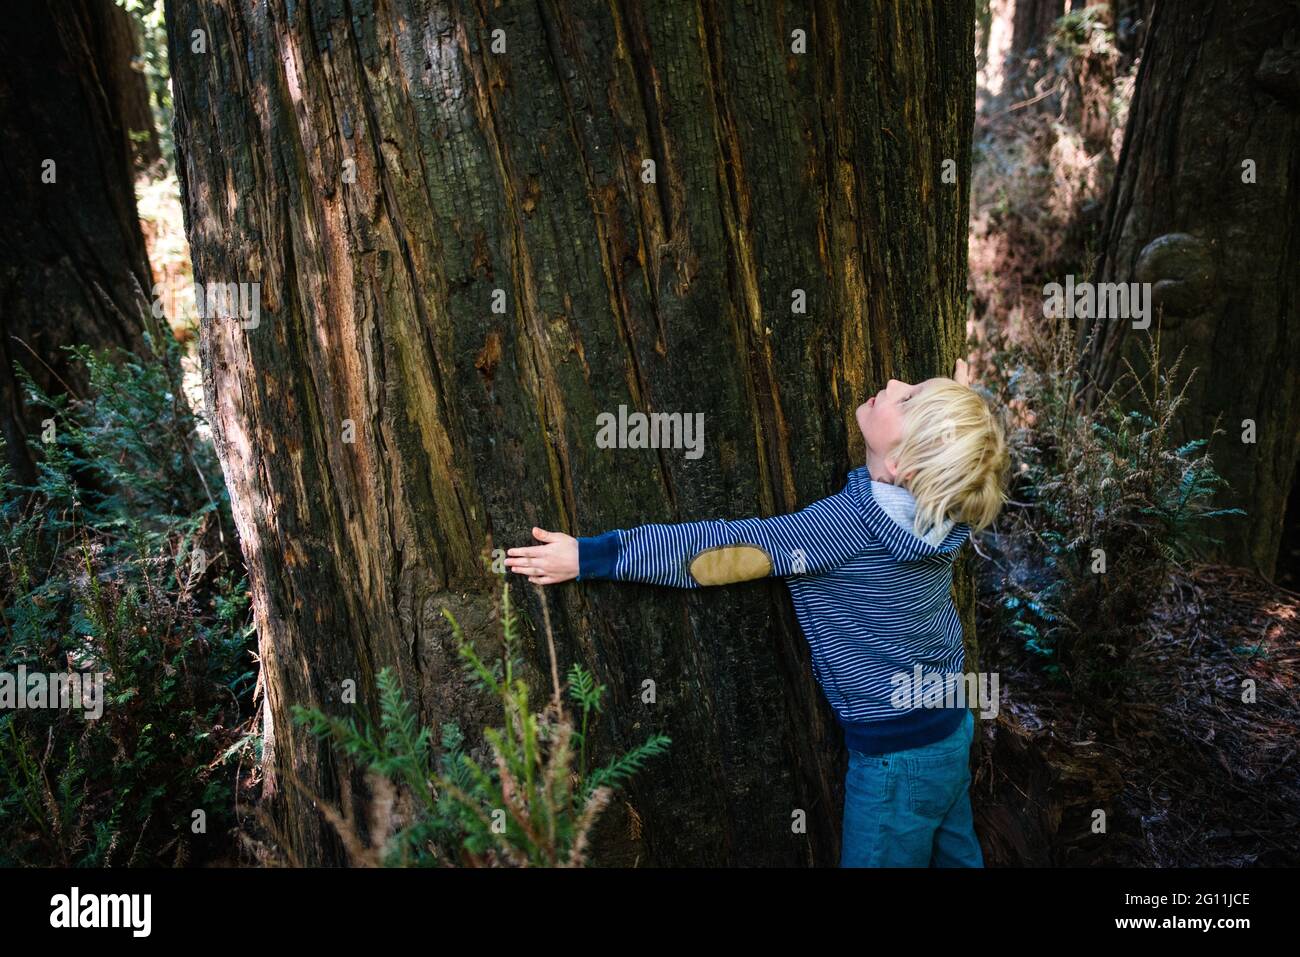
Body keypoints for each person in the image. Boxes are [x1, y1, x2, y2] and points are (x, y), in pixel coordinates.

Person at [504, 359, 1010, 866]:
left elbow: (720, 553)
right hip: (950, 724)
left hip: (896, 759)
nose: (894, 383)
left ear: (907, 467)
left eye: (908, 400)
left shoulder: (845, 529)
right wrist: (958, 418)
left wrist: (592, 556)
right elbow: (951, 466)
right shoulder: (946, 511)